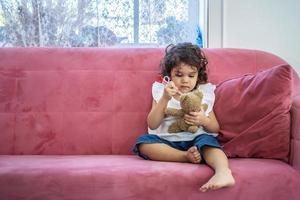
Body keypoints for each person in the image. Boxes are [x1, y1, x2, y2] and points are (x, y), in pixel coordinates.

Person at [133, 43, 235, 192]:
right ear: (168, 76)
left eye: (191, 75)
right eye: (179, 75)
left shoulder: (203, 93)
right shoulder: (161, 91)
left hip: (197, 139)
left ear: (198, 76)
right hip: (167, 142)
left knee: (210, 143)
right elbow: (152, 124)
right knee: (143, 143)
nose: (185, 80)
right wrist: (165, 99)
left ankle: (223, 172)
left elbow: (215, 127)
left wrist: (203, 120)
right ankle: (184, 156)